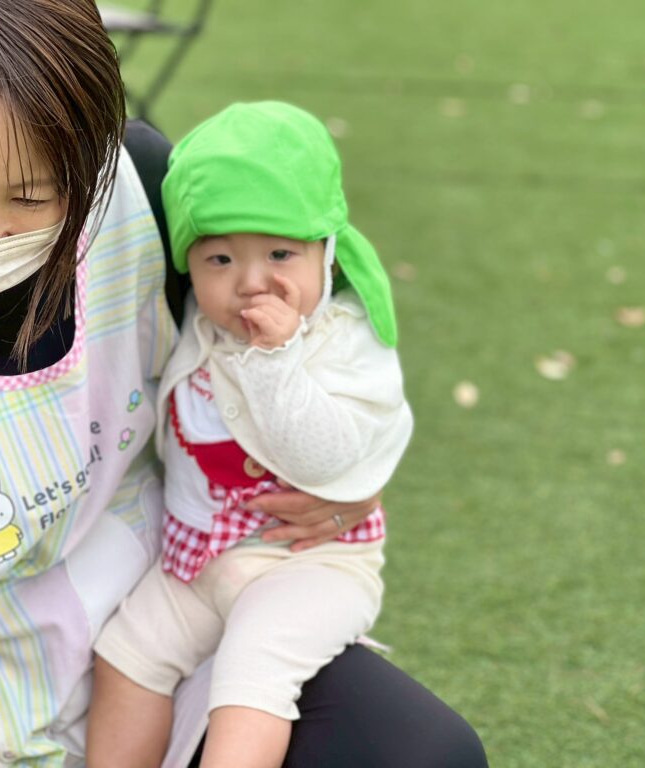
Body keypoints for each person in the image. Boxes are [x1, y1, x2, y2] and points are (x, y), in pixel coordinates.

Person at [0, 1, 489, 767]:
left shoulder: (137, 187)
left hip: (166, 610)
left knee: (424, 755)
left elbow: (307, 317)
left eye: (33, 196)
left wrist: (348, 469)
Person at [86, 101, 413, 768]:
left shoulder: (346, 340)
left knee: (253, 670)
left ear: (328, 251)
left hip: (311, 563)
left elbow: (323, 459)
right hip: (199, 559)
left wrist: (275, 361)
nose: (252, 281)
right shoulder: (199, 323)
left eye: (281, 253)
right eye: (220, 258)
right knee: (127, 654)